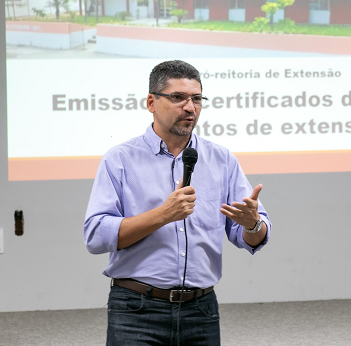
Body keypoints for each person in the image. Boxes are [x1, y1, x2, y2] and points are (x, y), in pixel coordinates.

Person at [84, 60, 271, 346]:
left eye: (196, 99)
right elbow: (96, 236)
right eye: (178, 98)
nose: (190, 107)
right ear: (151, 102)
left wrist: (252, 224)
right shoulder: (120, 159)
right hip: (136, 308)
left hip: (201, 309)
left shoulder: (222, 160)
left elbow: (254, 237)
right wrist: (162, 215)